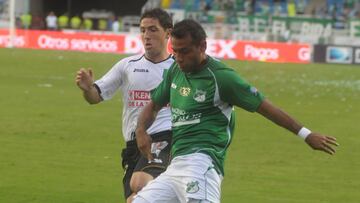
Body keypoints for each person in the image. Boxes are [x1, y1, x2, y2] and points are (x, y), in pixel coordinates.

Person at [133, 19, 339, 203]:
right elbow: (153, 105)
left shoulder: (222, 78)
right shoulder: (175, 71)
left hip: (202, 163)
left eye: (185, 51)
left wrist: (306, 134)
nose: (178, 57)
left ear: (202, 46)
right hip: (175, 166)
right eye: (175, 50)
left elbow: (266, 108)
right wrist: (141, 129)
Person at [75, 8, 174, 203]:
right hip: (133, 145)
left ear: (168, 33)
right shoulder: (127, 65)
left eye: (153, 30)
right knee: (133, 199)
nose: (147, 36)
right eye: (143, 30)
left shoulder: (178, 68)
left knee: (139, 185)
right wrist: (87, 89)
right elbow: (96, 97)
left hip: (164, 138)